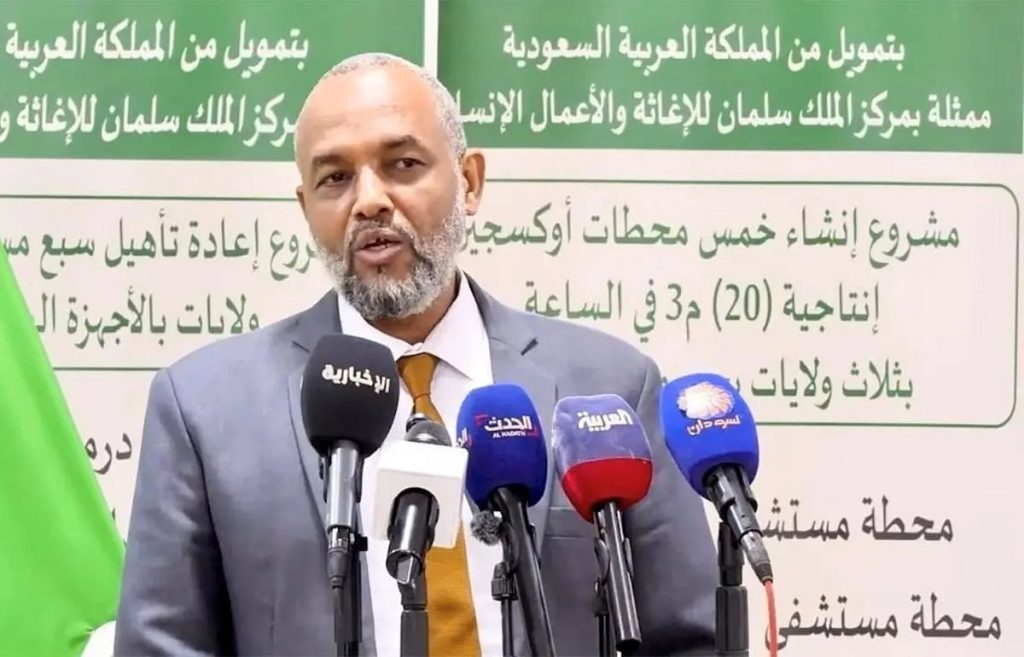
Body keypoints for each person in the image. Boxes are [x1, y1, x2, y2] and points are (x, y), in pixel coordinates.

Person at [114, 52, 717, 657]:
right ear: (306, 210)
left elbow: (691, 638)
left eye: (402, 164)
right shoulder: (204, 410)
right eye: (335, 179)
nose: (369, 200)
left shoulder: (610, 387)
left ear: (469, 182)